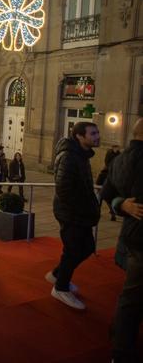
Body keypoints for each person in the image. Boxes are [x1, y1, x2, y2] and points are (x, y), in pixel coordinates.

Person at [100, 118, 143, 362]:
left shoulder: (120, 160)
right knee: (133, 296)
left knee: (132, 294)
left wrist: (120, 205)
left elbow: (108, 194)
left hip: (132, 236)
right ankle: (121, 348)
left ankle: (119, 337)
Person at [48, 121, 100, 310]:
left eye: (97, 133)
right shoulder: (70, 156)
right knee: (74, 249)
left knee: (86, 247)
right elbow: (64, 189)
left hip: (79, 213)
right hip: (71, 213)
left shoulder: (81, 155)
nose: (97, 136)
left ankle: (57, 274)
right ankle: (60, 288)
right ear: (79, 136)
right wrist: (81, 210)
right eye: (93, 133)